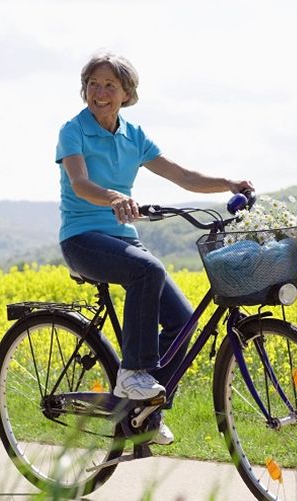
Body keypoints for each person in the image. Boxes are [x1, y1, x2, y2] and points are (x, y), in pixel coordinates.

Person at [55, 51, 253, 445]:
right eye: (93, 84)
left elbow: (181, 175)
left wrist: (228, 183)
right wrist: (114, 197)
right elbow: (78, 182)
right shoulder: (72, 130)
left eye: (110, 85)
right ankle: (132, 374)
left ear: (127, 93)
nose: (100, 92)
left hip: (123, 238)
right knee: (148, 270)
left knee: (183, 322)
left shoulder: (134, 135)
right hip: (81, 238)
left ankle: (144, 410)